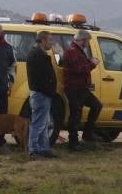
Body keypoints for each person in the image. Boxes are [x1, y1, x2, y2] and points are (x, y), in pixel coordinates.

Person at [63, 30, 103, 152]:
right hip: (75, 89)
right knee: (76, 115)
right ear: (82, 40)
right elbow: (79, 70)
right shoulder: (72, 52)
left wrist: (89, 61)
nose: (87, 43)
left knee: (96, 106)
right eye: (87, 41)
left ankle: (87, 133)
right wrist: (92, 64)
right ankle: (73, 143)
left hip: (81, 88)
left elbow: (81, 66)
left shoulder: (78, 51)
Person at [25, 31, 59, 159]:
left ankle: (44, 148)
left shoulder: (41, 54)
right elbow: (39, 78)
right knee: (38, 123)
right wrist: (48, 90)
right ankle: (33, 150)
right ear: (43, 41)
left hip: (43, 94)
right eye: (50, 40)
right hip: (40, 94)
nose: (52, 43)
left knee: (44, 123)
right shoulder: (37, 55)